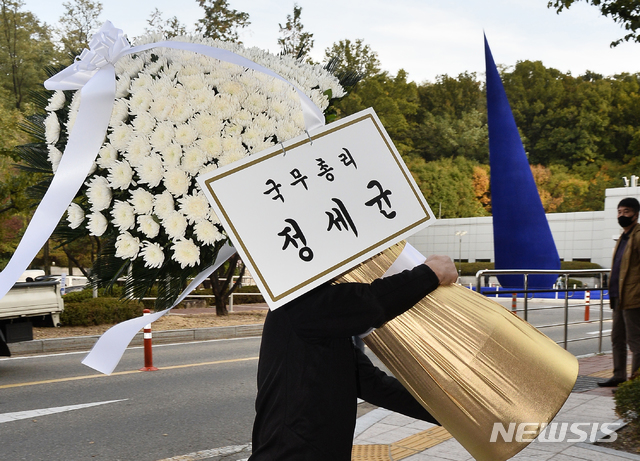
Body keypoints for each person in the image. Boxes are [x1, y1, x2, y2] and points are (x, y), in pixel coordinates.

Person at [249, 254, 457, 460]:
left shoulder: (316, 311)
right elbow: (373, 301)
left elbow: (371, 383)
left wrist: (456, 415)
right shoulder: (299, 302)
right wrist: (430, 274)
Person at [599, 197, 640, 387]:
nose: (622, 215)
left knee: (635, 341)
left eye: (626, 212)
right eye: (620, 212)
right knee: (617, 338)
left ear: (636, 214)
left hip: (633, 297)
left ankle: (634, 383)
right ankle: (619, 376)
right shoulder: (623, 236)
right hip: (618, 296)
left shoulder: (638, 235)